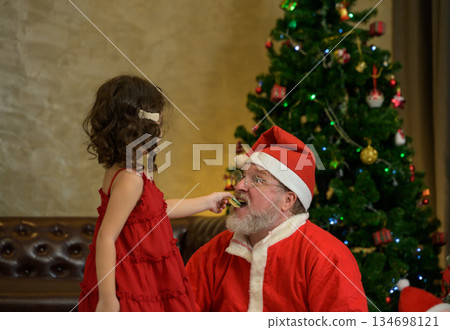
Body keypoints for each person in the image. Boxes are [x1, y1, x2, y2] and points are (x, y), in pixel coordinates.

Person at [78, 75, 232, 312]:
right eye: (157, 125)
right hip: (130, 278)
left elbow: (155, 212)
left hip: (145, 272)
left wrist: (208, 201)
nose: (161, 133)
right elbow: (106, 238)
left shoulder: (132, 170)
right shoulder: (130, 178)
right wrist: (108, 299)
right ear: (139, 128)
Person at [186, 126, 368, 312]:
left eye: (257, 179)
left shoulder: (328, 257)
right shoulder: (213, 253)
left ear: (287, 200)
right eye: (242, 177)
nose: (239, 186)